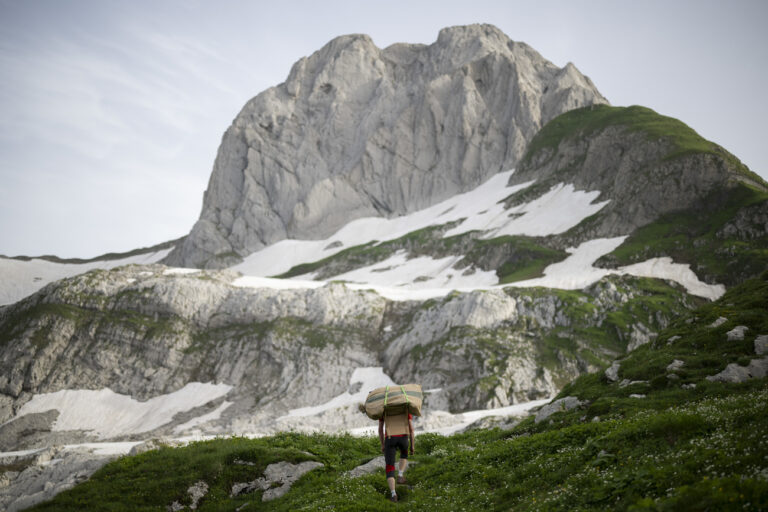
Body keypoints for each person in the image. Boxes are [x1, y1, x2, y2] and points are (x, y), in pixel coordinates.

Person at [378, 408, 414, 503]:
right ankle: (400, 475)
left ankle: (393, 494)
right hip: (403, 437)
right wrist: (412, 446)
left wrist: (382, 445)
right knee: (404, 454)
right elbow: (411, 429)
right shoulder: (404, 408)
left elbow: (380, 430)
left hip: (390, 438)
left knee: (390, 466)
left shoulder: (384, 409)